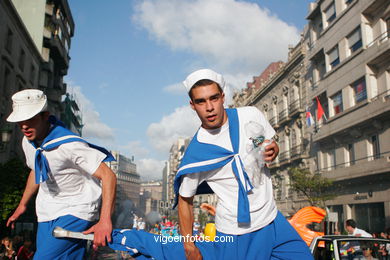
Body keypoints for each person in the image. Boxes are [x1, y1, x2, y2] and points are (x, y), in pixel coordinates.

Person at [174, 69, 313, 260]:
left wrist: (274, 148)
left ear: (223, 97)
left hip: (273, 219)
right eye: (201, 101)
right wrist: (189, 245)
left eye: (214, 98)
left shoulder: (250, 115)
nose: (209, 107)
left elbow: (262, 142)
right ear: (192, 105)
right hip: (237, 232)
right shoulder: (197, 152)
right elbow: (185, 200)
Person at [5, 89, 117, 259]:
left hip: (77, 209)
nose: (24, 126)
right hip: (46, 210)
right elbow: (37, 171)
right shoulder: (27, 142)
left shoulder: (69, 145)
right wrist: (22, 205)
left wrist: (105, 220)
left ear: (45, 116)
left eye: (30, 119)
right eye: (20, 121)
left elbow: (108, 175)